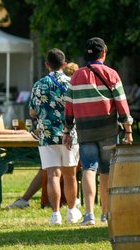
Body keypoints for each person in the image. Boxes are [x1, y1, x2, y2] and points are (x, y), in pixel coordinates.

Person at [64, 38, 133, 225]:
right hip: (108, 130)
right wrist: (128, 131)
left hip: (85, 130)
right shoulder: (111, 74)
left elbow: (68, 106)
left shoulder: (76, 76)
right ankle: (105, 214)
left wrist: (67, 130)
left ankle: (89, 214)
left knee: (88, 168)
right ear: (104, 53)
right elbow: (122, 105)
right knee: (107, 172)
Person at [17, 51, 79, 224]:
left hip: (46, 134)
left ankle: (55, 214)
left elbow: (32, 111)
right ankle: (72, 211)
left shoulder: (39, 85)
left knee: (52, 174)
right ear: (64, 64)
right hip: (69, 134)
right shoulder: (71, 83)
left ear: (47, 64)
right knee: (70, 175)